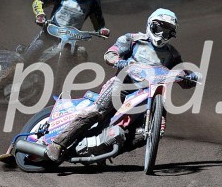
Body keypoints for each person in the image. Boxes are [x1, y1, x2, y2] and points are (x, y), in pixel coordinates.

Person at [44, 8, 199, 163]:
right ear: (150, 25)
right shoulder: (133, 39)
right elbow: (110, 54)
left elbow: (182, 75)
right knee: (97, 111)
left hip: (151, 95)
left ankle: (104, 150)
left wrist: (191, 77)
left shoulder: (172, 53)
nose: (161, 34)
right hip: (123, 86)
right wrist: (118, 60)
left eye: (167, 31)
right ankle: (57, 144)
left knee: (152, 132)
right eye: (159, 28)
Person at [0, 0, 110, 95]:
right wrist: (40, 15)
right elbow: (38, 2)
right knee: (25, 62)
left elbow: (99, 24)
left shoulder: (93, 2)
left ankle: (70, 90)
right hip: (48, 35)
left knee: (81, 55)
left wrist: (102, 30)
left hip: (70, 41)